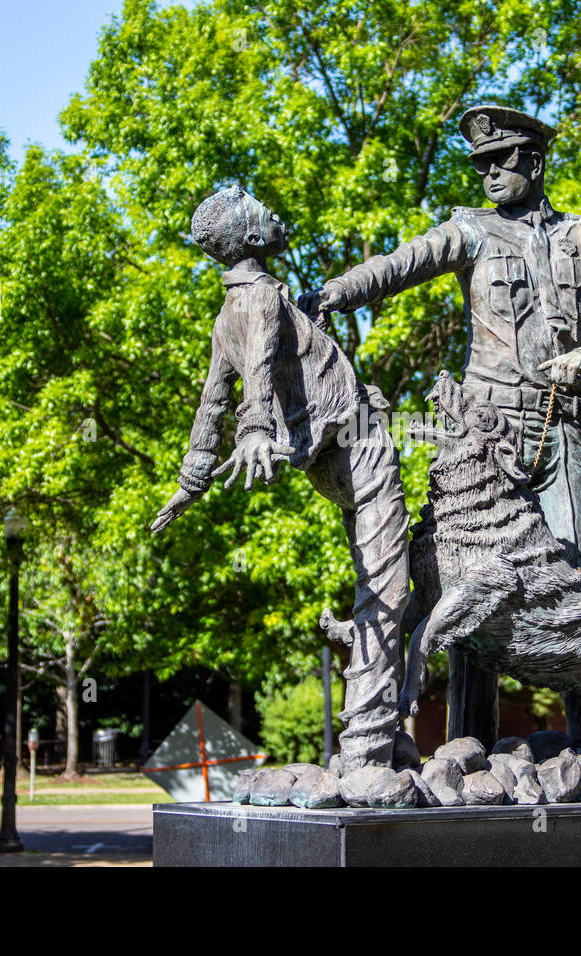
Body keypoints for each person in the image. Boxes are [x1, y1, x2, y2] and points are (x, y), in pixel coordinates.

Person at [300, 106, 581, 757]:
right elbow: (403, 262)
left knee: (575, 581)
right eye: (481, 164)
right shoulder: (471, 231)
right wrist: (339, 291)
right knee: (474, 584)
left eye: (502, 160)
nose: (489, 172)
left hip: (561, 428)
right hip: (485, 437)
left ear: (535, 163)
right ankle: (471, 749)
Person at [151, 185, 408, 770]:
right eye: (263, 212)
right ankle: (370, 749)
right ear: (249, 240)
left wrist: (193, 477)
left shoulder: (225, 315)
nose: (277, 214)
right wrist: (256, 430)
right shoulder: (261, 299)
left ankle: (388, 737)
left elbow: (211, 399)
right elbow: (256, 373)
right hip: (356, 440)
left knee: (385, 584)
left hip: (329, 454)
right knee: (389, 591)